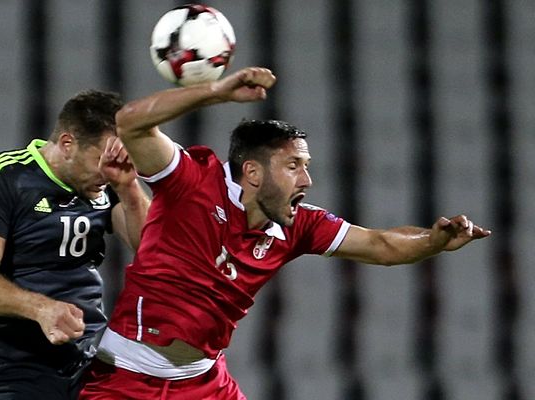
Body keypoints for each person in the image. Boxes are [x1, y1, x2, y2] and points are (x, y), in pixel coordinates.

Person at [78, 68, 491, 399]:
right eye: (293, 165)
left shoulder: (299, 226)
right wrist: (216, 91)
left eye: (305, 165)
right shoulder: (191, 181)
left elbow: (381, 245)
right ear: (253, 173)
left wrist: (434, 241)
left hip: (202, 383)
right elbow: (130, 122)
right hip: (126, 378)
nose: (307, 179)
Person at [0, 89, 150, 400]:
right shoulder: (4, 177)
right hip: (13, 368)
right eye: (101, 158)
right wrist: (41, 309)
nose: (107, 171)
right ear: (67, 144)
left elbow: (155, 252)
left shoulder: (110, 183)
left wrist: (128, 187)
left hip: (90, 363)